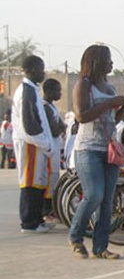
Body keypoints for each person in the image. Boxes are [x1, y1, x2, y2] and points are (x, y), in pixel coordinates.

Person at [69, 44, 124, 259]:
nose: (112, 63)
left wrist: (122, 109)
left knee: (107, 201)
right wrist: (110, 103)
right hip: (88, 148)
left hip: (108, 148)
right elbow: (81, 116)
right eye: (108, 59)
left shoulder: (110, 88)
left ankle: (100, 246)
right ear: (97, 62)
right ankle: (75, 236)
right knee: (94, 194)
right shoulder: (83, 85)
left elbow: (113, 120)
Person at [12, 55, 58, 233]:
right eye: (40, 68)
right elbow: (30, 125)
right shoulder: (26, 91)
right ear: (30, 70)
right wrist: (45, 143)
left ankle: (37, 219)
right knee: (30, 182)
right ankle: (29, 222)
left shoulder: (33, 89)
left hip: (37, 144)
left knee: (39, 181)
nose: (43, 72)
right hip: (31, 143)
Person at [42, 78, 66, 220]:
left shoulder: (52, 107)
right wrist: (60, 127)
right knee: (49, 178)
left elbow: (61, 125)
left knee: (54, 177)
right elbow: (56, 130)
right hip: (50, 148)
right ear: (49, 91)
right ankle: (46, 210)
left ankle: (49, 208)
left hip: (56, 148)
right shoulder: (45, 107)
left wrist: (61, 127)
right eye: (58, 90)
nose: (60, 93)